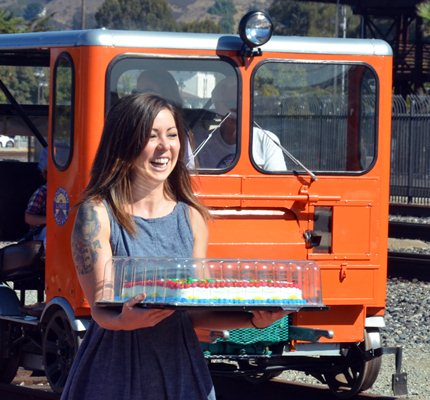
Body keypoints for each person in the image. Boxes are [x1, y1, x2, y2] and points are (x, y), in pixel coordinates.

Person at [62, 93, 286, 400]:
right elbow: (100, 308)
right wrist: (124, 321)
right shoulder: (97, 212)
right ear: (123, 144)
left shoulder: (192, 216)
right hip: (115, 367)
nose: (165, 146)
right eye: (151, 136)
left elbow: (193, 312)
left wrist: (253, 319)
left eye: (172, 135)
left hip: (179, 365)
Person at [194, 76, 287, 171]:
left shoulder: (267, 140)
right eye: (229, 103)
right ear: (217, 106)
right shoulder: (201, 143)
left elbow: (276, 183)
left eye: (239, 102)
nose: (234, 109)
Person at [135, 68, 196, 168]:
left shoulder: (180, 132)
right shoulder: (130, 127)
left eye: (171, 135)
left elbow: (188, 169)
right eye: (137, 92)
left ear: (167, 95)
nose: (165, 146)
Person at [24, 146, 47, 246]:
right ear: (44, 174)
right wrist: (49, 220)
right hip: (41, 235)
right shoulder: (42, 192)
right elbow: (28, 218)